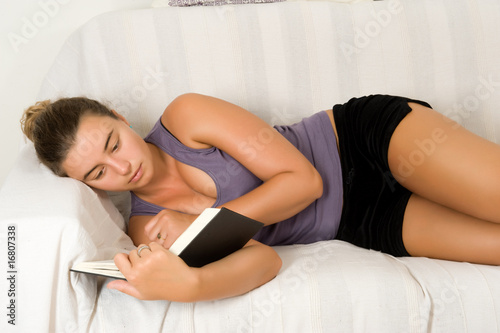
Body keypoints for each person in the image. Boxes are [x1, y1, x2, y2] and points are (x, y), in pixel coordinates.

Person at [20, 93, 500, 302]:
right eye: (99, 172)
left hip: (361, 141)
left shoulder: (185, 118)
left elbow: (304, 180)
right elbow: (263, 262)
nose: (123, 166)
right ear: (86, 187)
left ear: (119, 117)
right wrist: (189, 285)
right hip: (362, 220)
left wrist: (209, 224)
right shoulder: (149, 228)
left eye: (112, 142)